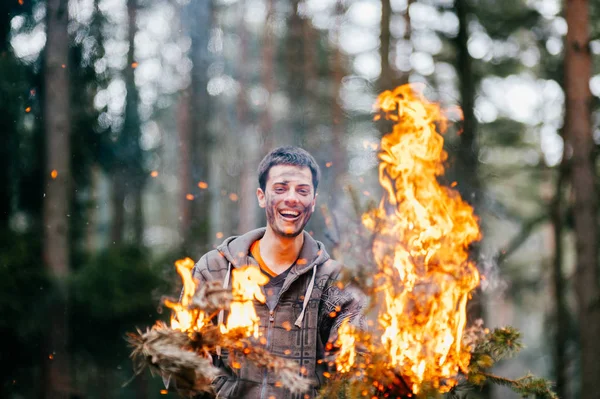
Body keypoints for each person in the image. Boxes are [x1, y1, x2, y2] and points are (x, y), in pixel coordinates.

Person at [190, 146, 366, 398]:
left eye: (302, 190)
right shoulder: (215, 270)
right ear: (262, 196)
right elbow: (182, 366)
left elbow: (354, 370)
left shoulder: (334, 281)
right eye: (280, 188)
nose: (292, 198)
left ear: (313, 201)